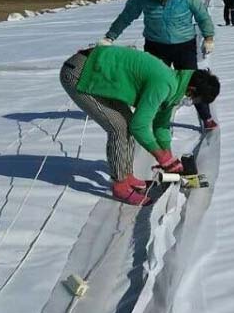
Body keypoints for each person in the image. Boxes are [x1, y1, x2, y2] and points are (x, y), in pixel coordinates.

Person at [59, 45, 220, 206]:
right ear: (192, 90)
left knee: (126, 124)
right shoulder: (164, 83)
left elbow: (161, 124)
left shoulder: (177, 84)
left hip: (98, 73)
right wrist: (162, 157)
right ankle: (120, 185)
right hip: (80, 73)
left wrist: (168, 156)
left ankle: (126, 176)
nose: (192, 103)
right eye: (195, 100)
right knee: (118, 127)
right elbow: (139, 125)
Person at [99, 0, 219, 131]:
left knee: (194, 82)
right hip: (155, 46)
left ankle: (206, 116)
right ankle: (153, 118)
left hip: (184, 46)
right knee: (154, 83)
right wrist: (109, 37)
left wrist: (209, 37)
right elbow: (125, 17)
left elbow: (202, 17)